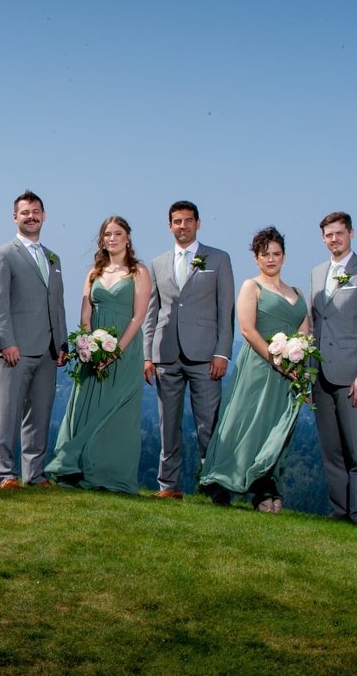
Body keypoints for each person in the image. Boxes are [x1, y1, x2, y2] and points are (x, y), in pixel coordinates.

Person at [200, 227, 309, 512]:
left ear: (284, 256)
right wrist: (277, 361)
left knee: (277, 429)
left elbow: (305, 334)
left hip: (290, 373)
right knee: (246, 422)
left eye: (276, 254)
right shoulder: (252, 286)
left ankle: (264, 485)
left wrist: (298, 367)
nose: (271, 259)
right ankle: (223, 482)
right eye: (265, 255)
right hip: (260, 367)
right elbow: (248, 329)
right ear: (256, 258)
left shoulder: (296, 292)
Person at [46, 216, 151, 494]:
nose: (112, 239)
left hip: (125, 351)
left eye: (118, 234)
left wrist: (115, 352)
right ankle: (79, 468)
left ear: (128, 238)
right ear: (102, 240)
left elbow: (138, 317)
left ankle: (112, 474)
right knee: (87, 406)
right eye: (107, 234)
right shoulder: (94, 271)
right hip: (92, 352)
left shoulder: (139, 272)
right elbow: (85, 312)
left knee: (117, 412)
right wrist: (87, 345)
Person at [143, 200, 235, 499]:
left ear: (198, 223)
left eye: (188, 220)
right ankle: (168, 486)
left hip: (205, 357)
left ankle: (216, 487)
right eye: (177, 221)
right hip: (166, 355)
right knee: (168, 426)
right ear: (169, 225)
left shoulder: (219, 259)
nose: (183, 226)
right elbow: (152, 313)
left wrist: (222, 353)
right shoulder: (157, 263)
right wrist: (148, 355)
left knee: (209, 425)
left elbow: (226, 310)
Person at [0, 190, 68, 490]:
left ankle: (35, 474)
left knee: (40, 414)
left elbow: (57, 303)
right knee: (7, 414)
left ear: (44, 216)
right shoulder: (3, 255)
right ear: (15, 217)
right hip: (15, 349)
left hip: (47, 349)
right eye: (25, 212)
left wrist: (62, 343)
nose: (31, 216)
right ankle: (5, 474)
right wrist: (6, 342)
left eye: (36, 212)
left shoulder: (53, 257)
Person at [310, 211, 357, 528]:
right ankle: (340, 512)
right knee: (332, 451)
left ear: (351, 234)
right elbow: (316, 323)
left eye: (339, 233)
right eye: (328, 234)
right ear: (323, 237)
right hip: (321, 375)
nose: (334, 239)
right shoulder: (316, 272)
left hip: (354, 376)